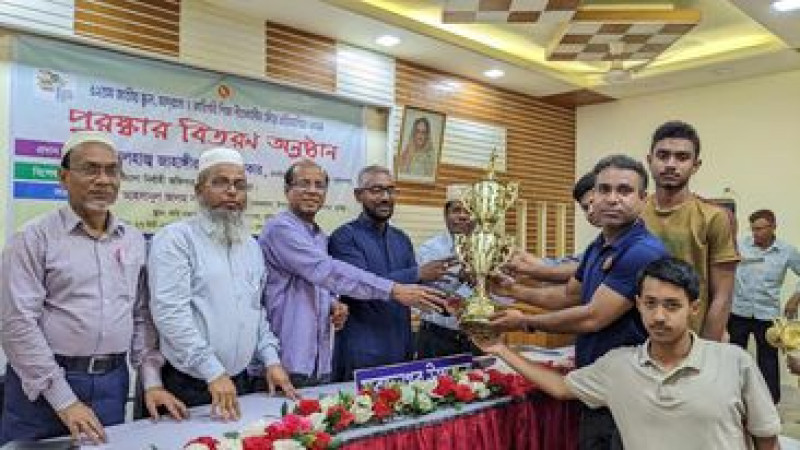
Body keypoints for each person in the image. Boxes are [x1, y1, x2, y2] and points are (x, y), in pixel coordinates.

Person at [474, 257, 781, 450]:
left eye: (672, 305)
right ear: (638, 305)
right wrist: (501, 349)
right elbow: (561, 387)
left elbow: (766, 440)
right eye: (650, 304)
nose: (659, 316)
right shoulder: (618, 366)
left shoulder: (733, 361)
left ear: (694, 308)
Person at [0, 131, 186, 445]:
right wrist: (65, 401)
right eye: (90, 169)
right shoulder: (32, 238)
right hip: (43, 385)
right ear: (63, 177)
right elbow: (17, 324)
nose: (103, 180)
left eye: (112, 170)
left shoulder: (132, 239)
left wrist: (152, 382)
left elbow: (141, 316)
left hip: (113, 382)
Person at [488, 154, 668, 450]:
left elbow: (591, 317)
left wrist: (525, 322)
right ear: (594, 196)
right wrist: (512, 290)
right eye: (604, 189)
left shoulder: (642, 250)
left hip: (630, 387)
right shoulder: (599, 245)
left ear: (643, 199)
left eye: (624, 191)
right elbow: (567, 296)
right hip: (595, 381)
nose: (612, 199)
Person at [258, 160, 450, 387]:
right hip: (296, 359)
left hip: (330, 358)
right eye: (304, 184)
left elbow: (322, 286)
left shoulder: (319, 236)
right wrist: (402, 284)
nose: (312, 191)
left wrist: (332, 304)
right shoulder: (293, 231)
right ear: (287, 190)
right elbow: (332, 274)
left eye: (319, 185)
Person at [149, 147, 297, 422]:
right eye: (220, 182)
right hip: (188, 384)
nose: (232, 192)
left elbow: (256, 311)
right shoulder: (176, 239)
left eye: (239, 185)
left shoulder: (250, 246)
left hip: (236, 381)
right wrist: (212, 371)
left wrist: (271, 360)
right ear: (199, 190)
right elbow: (170, 315)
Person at [329, 165, 448, 381]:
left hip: (402, 349)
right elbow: (359, 286)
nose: (385, 197)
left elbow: (416, 291)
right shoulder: (344, 238)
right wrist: (417, 273)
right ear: (358, 195)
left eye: (390, 190)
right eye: (376, 190)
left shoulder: (401, 239)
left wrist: (453, 300)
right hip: (361, 351)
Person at [642, 120, 739, 341]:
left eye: (682, 157)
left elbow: (722, 295)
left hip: (693, 339)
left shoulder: (714, 217)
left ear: (695, 165)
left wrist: (707, 350)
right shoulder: (635, 214)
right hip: (638, 338)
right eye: (663, 155)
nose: (671, 164)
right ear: (650, 160)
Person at [729, 209, 800, 403]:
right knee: (734, 356)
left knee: (768, 359)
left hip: (767, 314)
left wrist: (796, 297)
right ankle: (733, 396)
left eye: (760, 229)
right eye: (753, 229)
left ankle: (769, 401)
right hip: (738, 312)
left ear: (773, 227)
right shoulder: (740, 245)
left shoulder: (786, 251)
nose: (756, 233)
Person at [504, 171, 597, 284]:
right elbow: (568, 263)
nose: (591, 211)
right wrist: (524, 257)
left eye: (593, 203)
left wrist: (523, 268)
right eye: (585, 208)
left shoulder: (615, 244)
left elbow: (580, 270)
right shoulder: (598, 244)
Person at [415, 199, 478, 358]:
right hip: (437, 338)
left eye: (469, 211)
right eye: (456, 210)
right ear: (446, 215)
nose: (463, 216)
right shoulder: (430, 250)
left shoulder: (490, 250)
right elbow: (423, 297)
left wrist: (486, 281)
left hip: (479, 338)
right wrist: (465, 284)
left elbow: (505, 299)